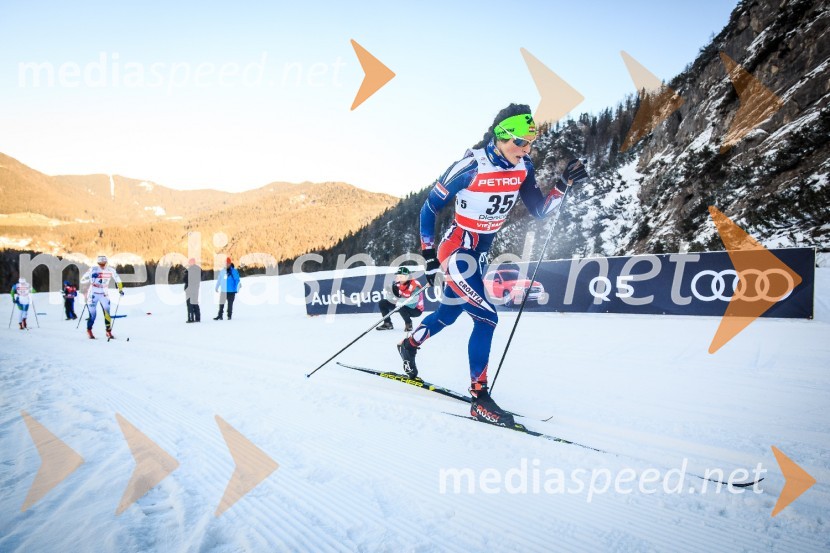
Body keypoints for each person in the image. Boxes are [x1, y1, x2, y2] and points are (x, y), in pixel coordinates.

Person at [397, 104, 589, 426]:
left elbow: (539, 211)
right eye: (521, 142)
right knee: (486, 316)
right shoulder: (470, 165)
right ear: (502, 136)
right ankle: (479, 397)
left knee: (449, 313)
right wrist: (429, 257)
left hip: (481, 253)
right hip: (457, 249)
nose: (527, 149)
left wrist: (562, 185)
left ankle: (409, 344)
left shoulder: (523, 166)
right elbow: (429, 208)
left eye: (531, 142)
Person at [80, 255, 124, 339]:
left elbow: (118, 280)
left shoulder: (110, 270)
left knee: (107, 314)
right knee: (93, 315)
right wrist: (91, 277)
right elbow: (82, 280)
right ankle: (89, 330)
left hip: (104, 294)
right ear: (98, 263)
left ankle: (108, 331)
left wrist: (120, 289)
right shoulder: (93, 269)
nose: (102, 266)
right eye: (101, 264)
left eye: (104, 264)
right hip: (93, 293)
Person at [376, 266, 424, 332]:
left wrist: (400, 301)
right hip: (402, 305)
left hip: (416, 310)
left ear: (407, 276)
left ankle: (408, 324)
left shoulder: (415, 285)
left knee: (400, 306)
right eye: (398, 276)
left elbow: (414, 303)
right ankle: (387, 323)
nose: (399, 279)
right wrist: (391, 293)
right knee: (382, 303)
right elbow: (393, 299)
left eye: (401, 277)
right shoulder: (398, 284)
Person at [184, 258, 202, 323]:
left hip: (189, 289)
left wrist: (186, 273)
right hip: (196, 289)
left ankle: (190, 318)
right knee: (195, 303)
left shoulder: (189, 270)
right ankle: (198, 318)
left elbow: (185, 279)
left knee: (189, 304)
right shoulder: (198, 269)